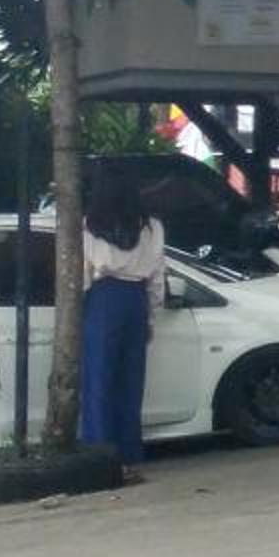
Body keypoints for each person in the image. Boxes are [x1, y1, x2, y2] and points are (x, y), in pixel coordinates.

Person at [78, 169, 167, 478]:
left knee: (98, 381)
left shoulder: (90, 225)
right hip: (135, 299)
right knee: (131, 383)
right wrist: (151, 315)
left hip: (103, 299)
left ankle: (99, 456)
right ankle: (129, 455)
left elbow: (83, 273)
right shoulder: (152, 227)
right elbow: (158, 277)